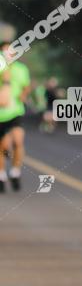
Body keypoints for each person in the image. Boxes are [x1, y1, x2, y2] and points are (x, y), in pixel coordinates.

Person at [0, 40, 31, 193]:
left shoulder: (21, 69)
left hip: (16, 112)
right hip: (1, 114)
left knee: (18, 140)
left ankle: (15, 172)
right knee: (4, 147)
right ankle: (1, 175)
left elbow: (26, 86)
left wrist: (23, 95)